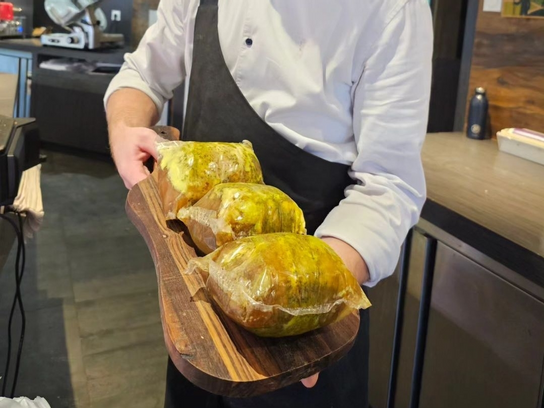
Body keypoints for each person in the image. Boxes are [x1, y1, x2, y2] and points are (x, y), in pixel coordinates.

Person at [104, 0, 433, 407]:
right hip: (198, 304)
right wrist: (123, 130)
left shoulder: (393, 10)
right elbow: (143, 73)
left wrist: (299, 297)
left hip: (302, 337)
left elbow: (389, 183)